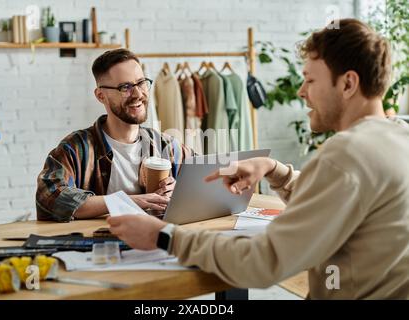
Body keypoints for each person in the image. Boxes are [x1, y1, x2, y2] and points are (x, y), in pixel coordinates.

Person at [107, 19, 409, 299]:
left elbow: (263, 262)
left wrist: (165, 237)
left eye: (310, 81)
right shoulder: (398, 135)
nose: (302, 92)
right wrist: (275, 170)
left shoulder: (346, 154)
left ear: (348, 84)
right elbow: (341, 194)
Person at [36, 49, 195, 222]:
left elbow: (210, 181)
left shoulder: (166, 145)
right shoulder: (75, 148)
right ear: (101, 95)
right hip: (101, 247)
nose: (138, 94)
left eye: (141, 83)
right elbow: (50, 197)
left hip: (155, 245)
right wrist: (128, 202)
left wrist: (179, 190)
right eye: (125, 87)